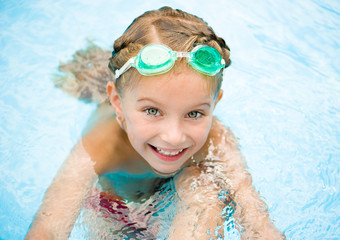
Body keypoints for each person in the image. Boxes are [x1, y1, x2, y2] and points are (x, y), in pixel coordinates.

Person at [25, 6, 285, 239]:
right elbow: (48, 229)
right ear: (117, 103)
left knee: (205, 184)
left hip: (176, 200)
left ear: (215, 104)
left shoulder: (217, 139)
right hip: (114, 209)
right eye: (152, 110)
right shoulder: (102, 144)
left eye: (194, 113)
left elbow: (258, 223)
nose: (174, 136)